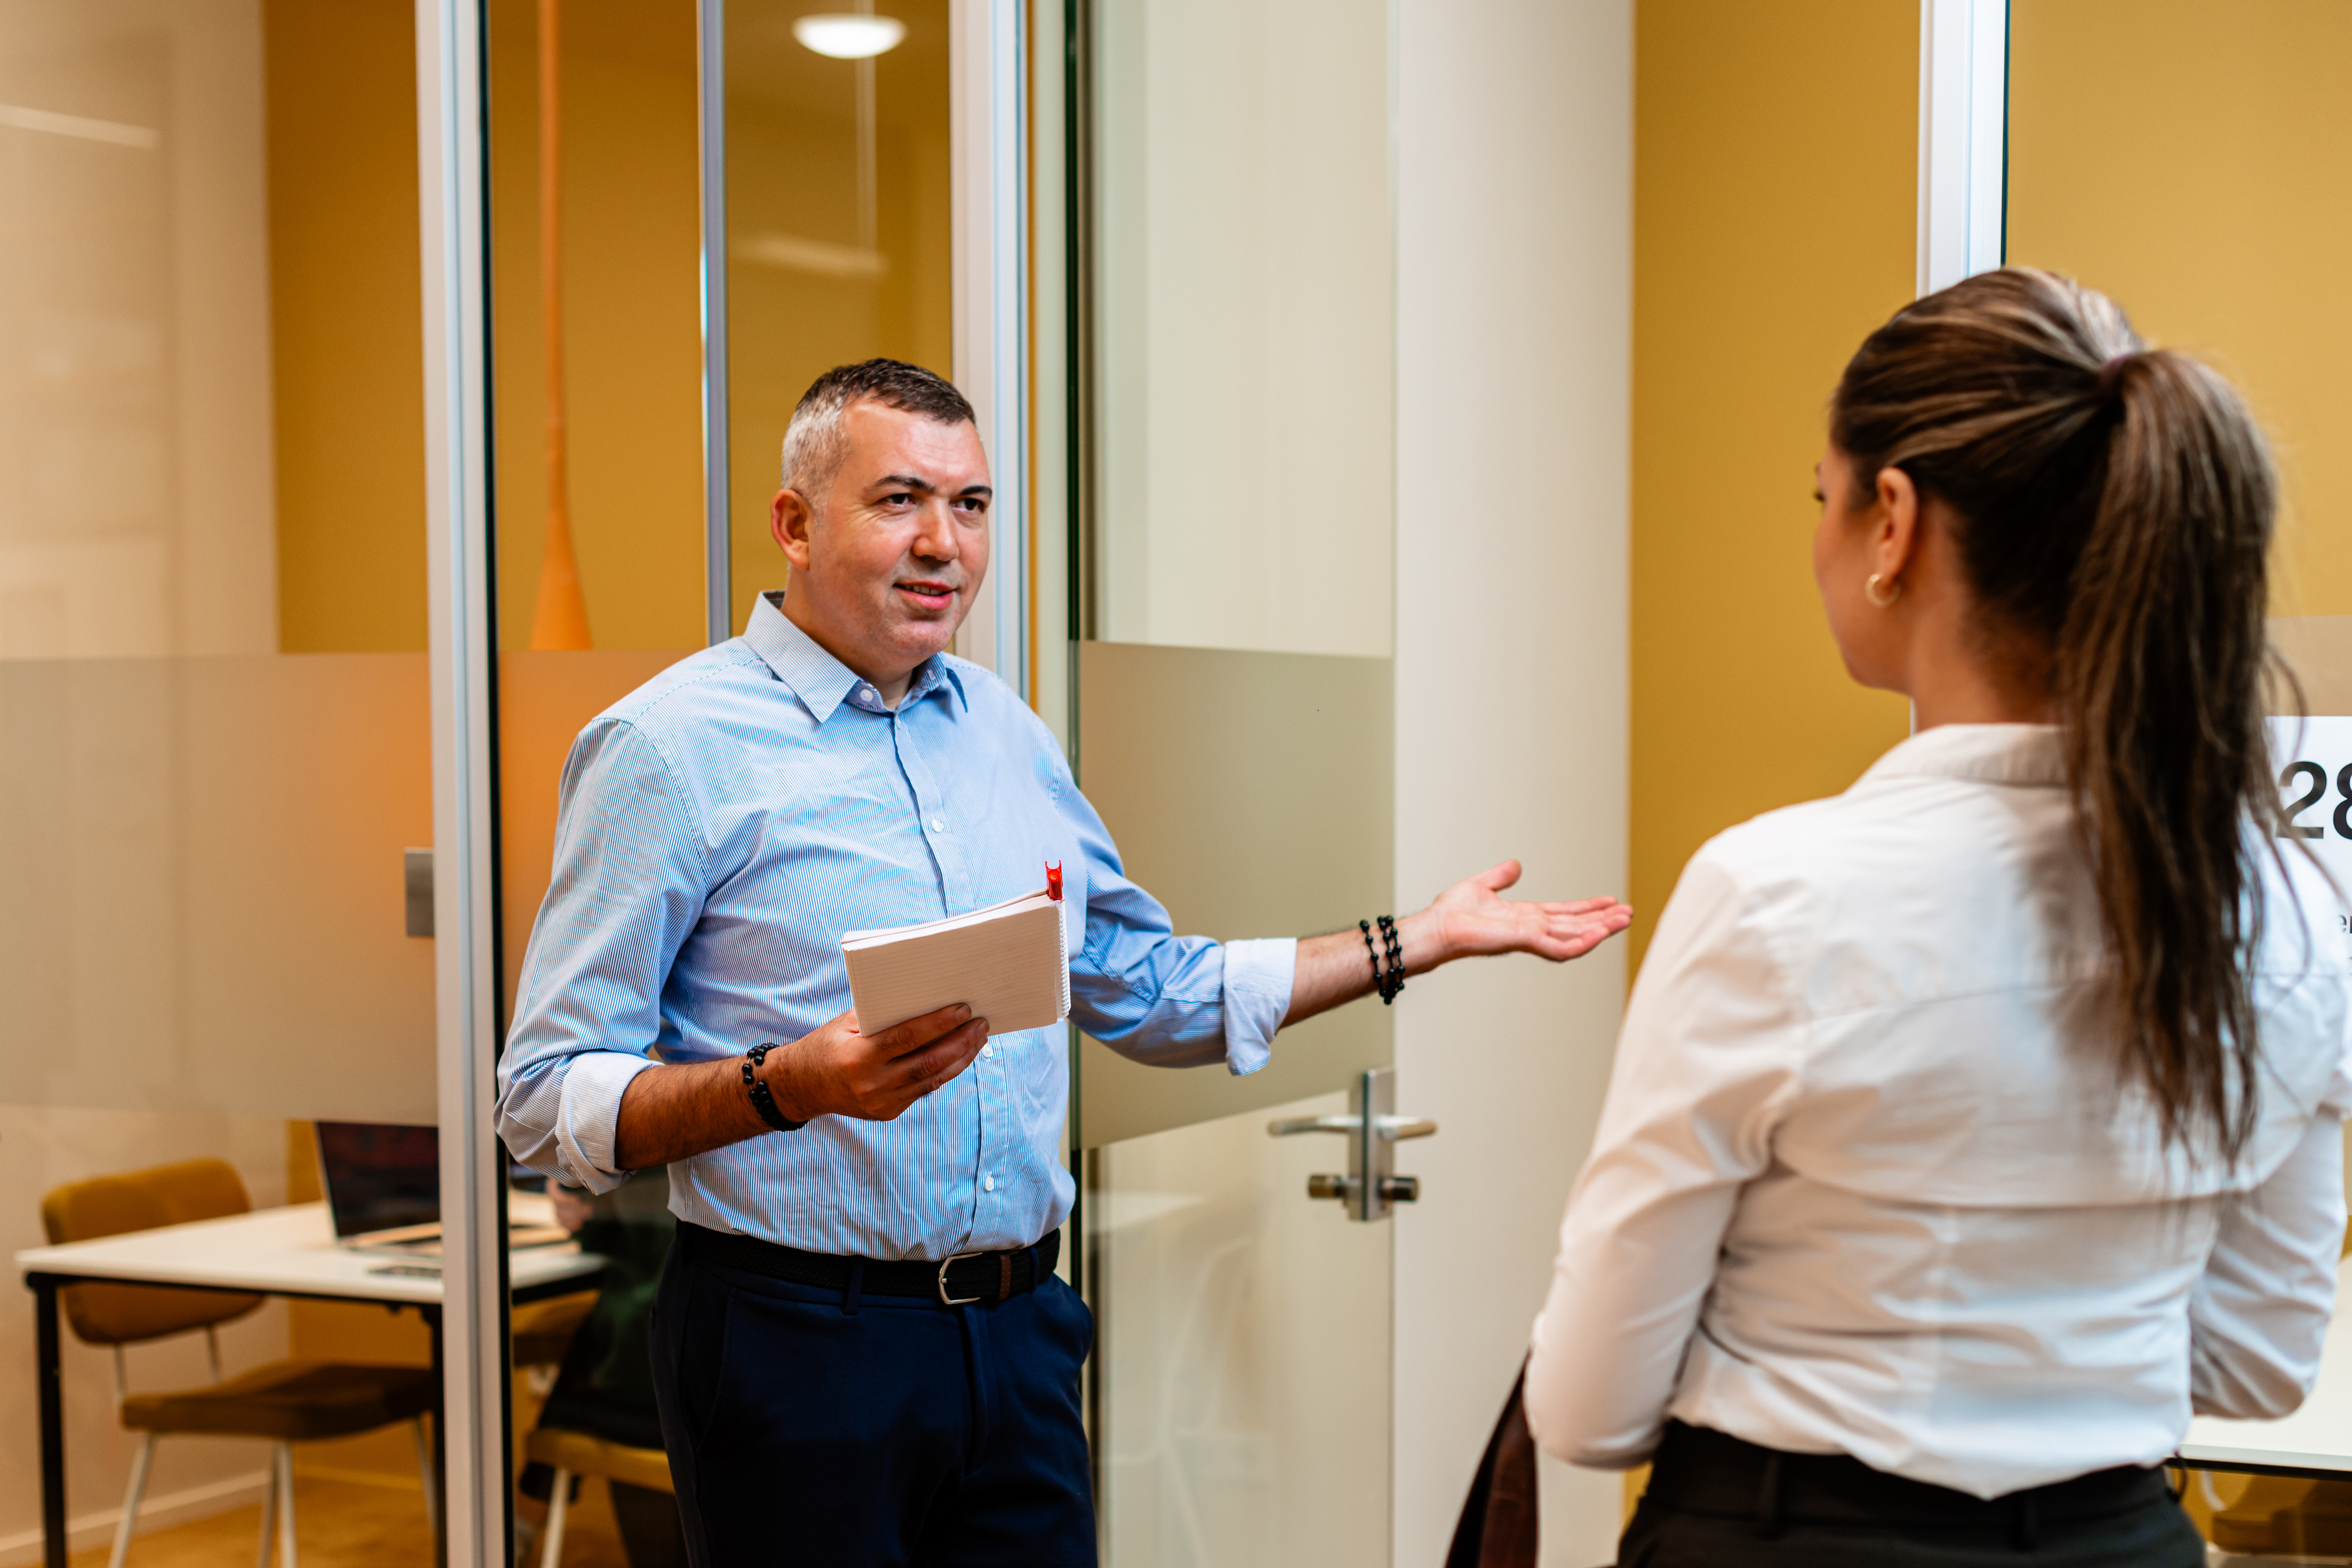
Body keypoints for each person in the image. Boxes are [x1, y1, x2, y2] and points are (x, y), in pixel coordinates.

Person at [495, 358, 1632, 1568]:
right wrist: (787, 1084)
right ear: (793, 522)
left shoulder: (1004, 733)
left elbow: (1147, 987)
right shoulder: (666, 749)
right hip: (794, 1347)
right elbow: (540, 1095)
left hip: (1020, 1338)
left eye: (971, 505)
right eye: (897, 500)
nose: (943, 543)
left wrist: (1413, 940)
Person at [1524, 270, 2350, 1566]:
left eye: (1824, 497)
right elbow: (2254, 1362)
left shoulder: (1773, 891)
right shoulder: (2291, 909)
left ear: (1893, 519)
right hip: (2121, 1540)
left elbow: (1584, 1405)